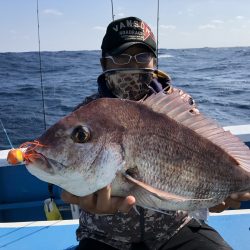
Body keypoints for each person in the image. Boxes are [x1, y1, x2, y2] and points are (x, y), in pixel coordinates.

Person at [62, 16, 250, 250]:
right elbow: (70, 167)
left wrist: (213, 195)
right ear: (104, 64)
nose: (133, 64)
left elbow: (205, 159)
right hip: (105, 236)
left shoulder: (181, 104)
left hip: (175, 227)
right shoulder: (85, 118)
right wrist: (80, 195)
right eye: (121, 57)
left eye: (142, 56)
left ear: (154, 61)